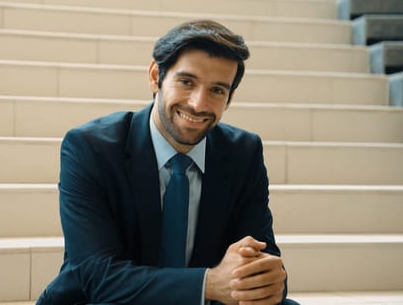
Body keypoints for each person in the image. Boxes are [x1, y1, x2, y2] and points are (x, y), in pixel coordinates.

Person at [37, 20, 298, 305]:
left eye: (217, 90)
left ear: (230, 98)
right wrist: (207, 284)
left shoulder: (243, 152)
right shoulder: (91, 148)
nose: (198, 104)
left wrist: (266, 280)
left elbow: (263, 255)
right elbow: (97, 276)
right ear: (155, 76)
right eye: (187, 82)